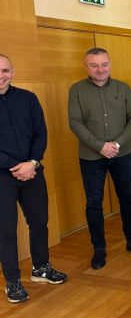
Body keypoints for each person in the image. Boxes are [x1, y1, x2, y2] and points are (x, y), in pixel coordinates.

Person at [68, 48, 131, 271]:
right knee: (94, 204)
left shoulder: (124, 88)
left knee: (127, 198)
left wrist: (117, 144)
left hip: (122, 155)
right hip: (91, 158)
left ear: (110, 65)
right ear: (86, 67)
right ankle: (99, 248)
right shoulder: (77, 90)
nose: (100, 69)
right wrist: (100, 146)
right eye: (94, 65)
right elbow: (74, 122)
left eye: (104, 64)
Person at [0, 54, 67, 303]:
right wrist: (15, 166)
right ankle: (12, 281)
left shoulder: (28, 98)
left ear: (13, 72)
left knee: (39, 222)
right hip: (2, 176)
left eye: (5, 70)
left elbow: (41, 133)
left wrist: (32, 163)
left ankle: (41, 268)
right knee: (5, 230)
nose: (1, 76)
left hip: (32, 170)